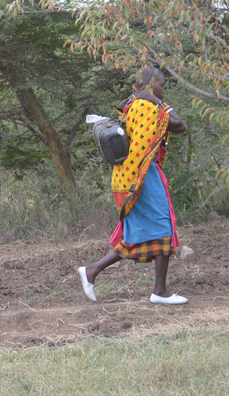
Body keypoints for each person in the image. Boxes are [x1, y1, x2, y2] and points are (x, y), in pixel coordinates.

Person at [78, 66, 188, 304]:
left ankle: (92, 271)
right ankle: (159, 292)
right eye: (161, 85)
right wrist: (160, 103)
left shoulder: (131, 104)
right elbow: (179, 125)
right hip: (141, 175)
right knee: (163, 225)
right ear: (150, 86)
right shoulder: (148, 108)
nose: (163, 89)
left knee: (140, 231)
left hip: (129, 175)